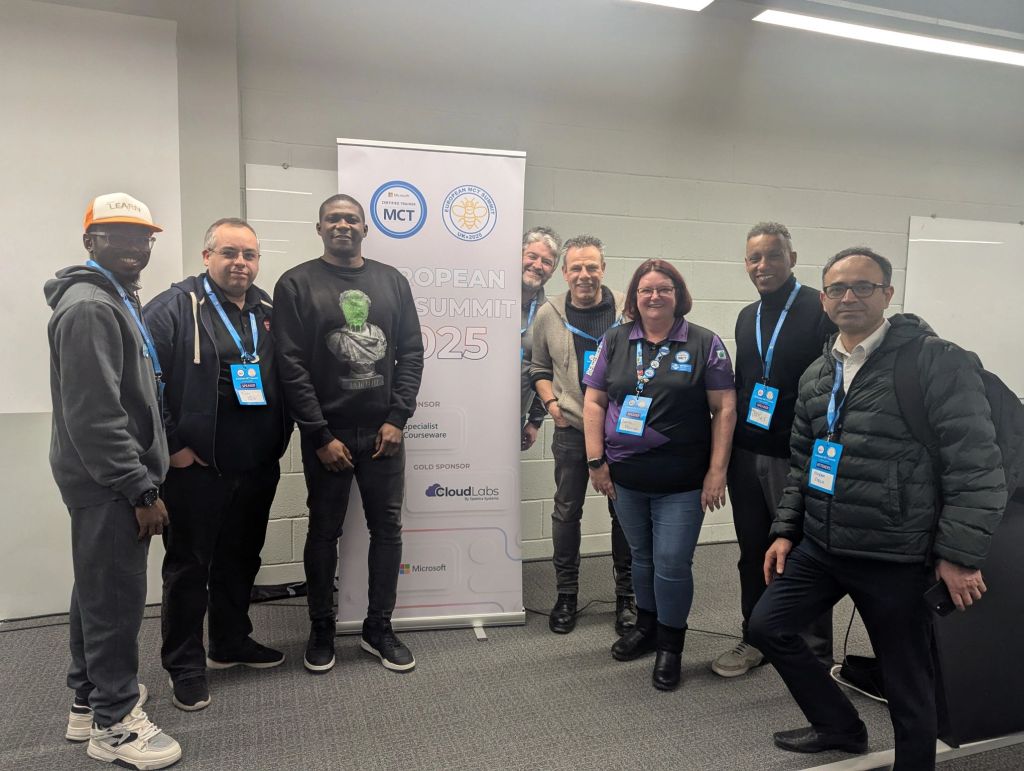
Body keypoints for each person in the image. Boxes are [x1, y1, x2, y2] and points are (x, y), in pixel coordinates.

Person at [748, 248, 1006, 768]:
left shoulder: (935, 360)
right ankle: (839, 727)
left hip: (896, 552)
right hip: (823, 544)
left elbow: (976, 465)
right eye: (837, 288)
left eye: (863, 286)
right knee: (766, 626)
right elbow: (804, 463)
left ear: (887, 294)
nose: (849, 296)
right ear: (824, 300)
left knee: (906, 679)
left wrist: (958, 555)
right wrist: (786, 530)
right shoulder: (818, 373)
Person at [44, 192, 181, 769]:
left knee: (96, 591)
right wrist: (139, 489)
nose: (132, 246)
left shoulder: (114, 296)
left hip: (109, 480)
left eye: (141, 236)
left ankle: (88, 700)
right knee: (116, 602)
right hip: (112, 484)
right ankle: (115, 723)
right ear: (89, 241)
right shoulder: (90, 307)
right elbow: (95, 416)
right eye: (116, 235)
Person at [143, 218, 290, 711]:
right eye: (229, 253)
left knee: (241, 558)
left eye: (249, 255)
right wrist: (173, 448)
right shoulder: (173, 309)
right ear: (207, 256)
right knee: (189, 567)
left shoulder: (268, 311)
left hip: (256, 464)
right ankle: (184, 665)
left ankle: (229, 642)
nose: (240, 263)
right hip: (195, 468)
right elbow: (144, 385)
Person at [273, 194, 424, 674]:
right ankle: (321, 627)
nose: (343, 225)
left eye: (351, 219)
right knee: (323, 532)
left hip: (384, 434)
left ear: (365, 228)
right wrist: (319, 435)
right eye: (333, 219)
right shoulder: (296, 283)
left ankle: (379, 628)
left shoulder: (392, 281)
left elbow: (411, 353)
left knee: (388, 531)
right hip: (328, 436)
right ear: (319, 228)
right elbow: (290, 366)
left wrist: (397, 419)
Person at [583, 259, 736, 690]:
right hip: (625, 477)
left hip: (682, 481)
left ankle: (671, 645)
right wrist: (595, 461)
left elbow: (724, 408)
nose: (655, 296)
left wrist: (717, 471)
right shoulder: (614, 339)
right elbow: (594, 401)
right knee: (642, 557)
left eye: (664, 288)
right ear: (634, 297)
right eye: (646, 289)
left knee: (671, 563)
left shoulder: (704, 342)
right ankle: (647, 627)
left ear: (678, 295)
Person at [713, 222, 836, 678]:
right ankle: (756, 637)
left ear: (792, 259)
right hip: (747, 453)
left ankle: (814, 653)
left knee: (802, 553)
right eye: (754, 258)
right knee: (752, 550)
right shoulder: (747, 316)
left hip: (796, 455)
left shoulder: (819, 309)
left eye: (773, 255)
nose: (762, 265)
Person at [529, 235, 634, 635]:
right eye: (576, 267)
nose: (584, 275)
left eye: (592, 267)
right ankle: (566, 595)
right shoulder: (548, 314)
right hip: (572, 429)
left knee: (624, 513)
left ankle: (627, 596)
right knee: (566, 512)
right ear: (565, 272)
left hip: (621, 430)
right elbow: (538, 368)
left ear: (603, 269)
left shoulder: (628, 309)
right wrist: (552, 406)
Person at [520, 227, 561, 451]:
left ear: (552, 271)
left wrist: (535, 420)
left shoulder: (549, 314)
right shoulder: (488, 299)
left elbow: (548, 370)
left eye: (546, 262)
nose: (537, 265)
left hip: (513, 417)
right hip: (470, 408)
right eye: (532, 256)